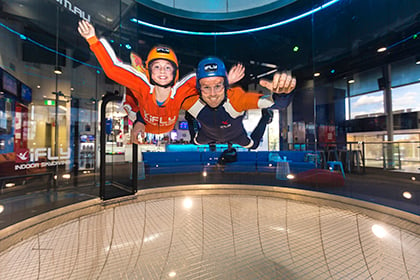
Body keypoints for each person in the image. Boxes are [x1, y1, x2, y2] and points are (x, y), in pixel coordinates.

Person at [77, 20, 244, 144]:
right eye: (157, 67)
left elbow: (205, 80)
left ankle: (140, 74)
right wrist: (93, 40)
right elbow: (112, 70)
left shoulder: (182, 89)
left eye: (167, 67)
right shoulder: (143, 85)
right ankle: (140, 71)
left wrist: (226, 79)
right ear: (151, 72)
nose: (162, 71)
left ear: (175, 73)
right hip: (142, 116)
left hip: (161, 124)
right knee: (132, 108)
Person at [182, 57, 296, 149]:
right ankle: (190, 117)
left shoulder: (236, 99)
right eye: (206, 87)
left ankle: (266, 116)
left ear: (225, 85)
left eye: (218, 86)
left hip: (236, 135)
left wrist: (282, 94)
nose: (213, 94)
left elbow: (279, 104)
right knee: (195, 142)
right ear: (198, 88)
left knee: (254, 145)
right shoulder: (192, 103)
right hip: (208, 135)